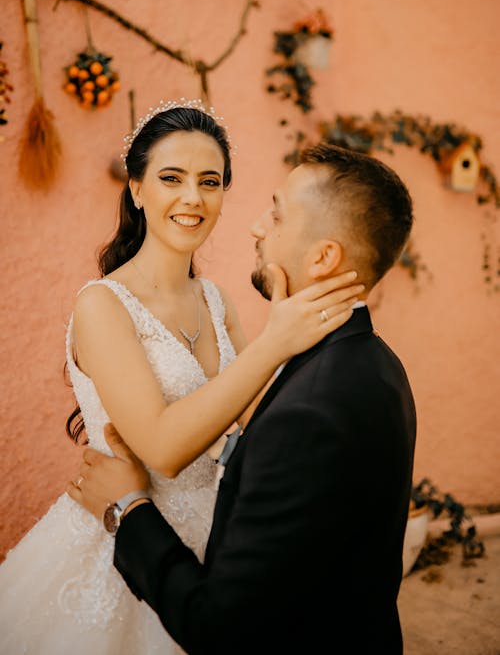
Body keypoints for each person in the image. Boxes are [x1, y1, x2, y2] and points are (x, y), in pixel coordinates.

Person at [0, 104, 361, 655]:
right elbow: (162, 448)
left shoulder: (215, 300)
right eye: (172, 179)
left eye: (209, 182)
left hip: (211, 543)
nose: (193, 197)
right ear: (138, 189)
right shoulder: (102, 306)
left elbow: (262, 422)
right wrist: (274, 342)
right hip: (126, 543)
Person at [70, 142, 417, 655]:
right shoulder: (378, 364)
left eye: (275, 215)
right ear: (136, 190)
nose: (255, 226)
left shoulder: (307, 406)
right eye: (171, 178)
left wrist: (128, 506)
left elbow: (219, 628)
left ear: (323, 257)